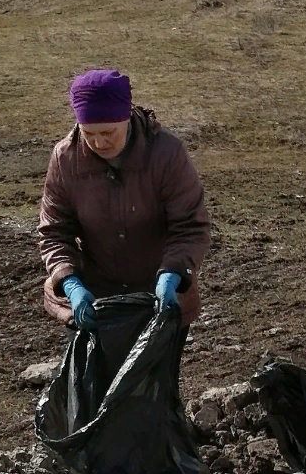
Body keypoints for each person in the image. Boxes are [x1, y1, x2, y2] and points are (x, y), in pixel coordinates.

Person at [38, 68, 210, 332]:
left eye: (108, 132)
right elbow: (54, 232)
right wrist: (69, 281)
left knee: (152, 373)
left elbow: (190, 225)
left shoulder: (166, 155)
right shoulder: (66, 159)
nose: (99, 142)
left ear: (126, 118)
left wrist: (172, 274)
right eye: (89, 133)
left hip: (161, 297)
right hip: (95, 300)